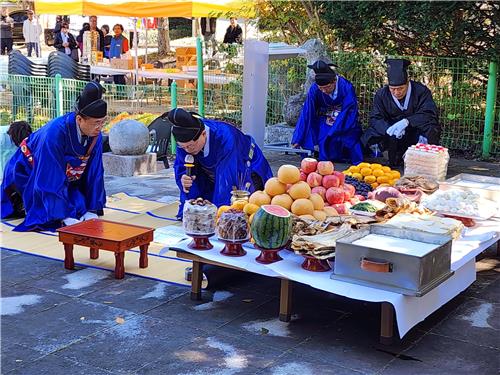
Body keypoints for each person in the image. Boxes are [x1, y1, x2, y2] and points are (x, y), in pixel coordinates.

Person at [0, 81, 107, 231]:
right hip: (28, 172)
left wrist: (93, 209)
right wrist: (62, 216)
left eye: (103, 122)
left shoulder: (96, 135)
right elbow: (49, 175)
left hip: (63, 177)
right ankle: (52, 210)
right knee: (52, 212)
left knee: (80, 206)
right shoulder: (55, 133)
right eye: (96, 122)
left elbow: (95, 173)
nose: (99, 127)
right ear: (79, 119)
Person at [169, 108, 273, 218]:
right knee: (192, 181)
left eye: (190, 146)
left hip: (245, 167)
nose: (187, 150)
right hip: (212, 172)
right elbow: (182, 168)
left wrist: (218, 216)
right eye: (183, 147)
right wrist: (184, 182)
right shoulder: (185, 143)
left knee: (237, 211)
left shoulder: (226, 137)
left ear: (204, 134)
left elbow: (227, 181)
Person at [361, 58, 440, 167]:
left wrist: (407, 121)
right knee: (370, 134)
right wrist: (387, 129)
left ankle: (422, 159)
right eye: (392, 89)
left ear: (408, 83)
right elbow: (375, 118)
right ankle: (385, 157)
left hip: (415, 131)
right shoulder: (382, 94)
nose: (396, 92)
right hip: (393, 134)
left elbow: (429, 113)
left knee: (431, 127)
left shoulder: (421, 91)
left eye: (401, 88)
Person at [291, 60, 363, 165]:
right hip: (325, 117)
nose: (324, 91)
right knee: (324, 133)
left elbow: (349, 110)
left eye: (327, 87)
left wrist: (334, 129)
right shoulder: (314, 89)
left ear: (334, 81)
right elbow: (307, 111)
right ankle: (325, 162)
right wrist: (298, 136)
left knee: (348, 135)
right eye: (321, 88)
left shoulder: (346, 87)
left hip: (345, 118)